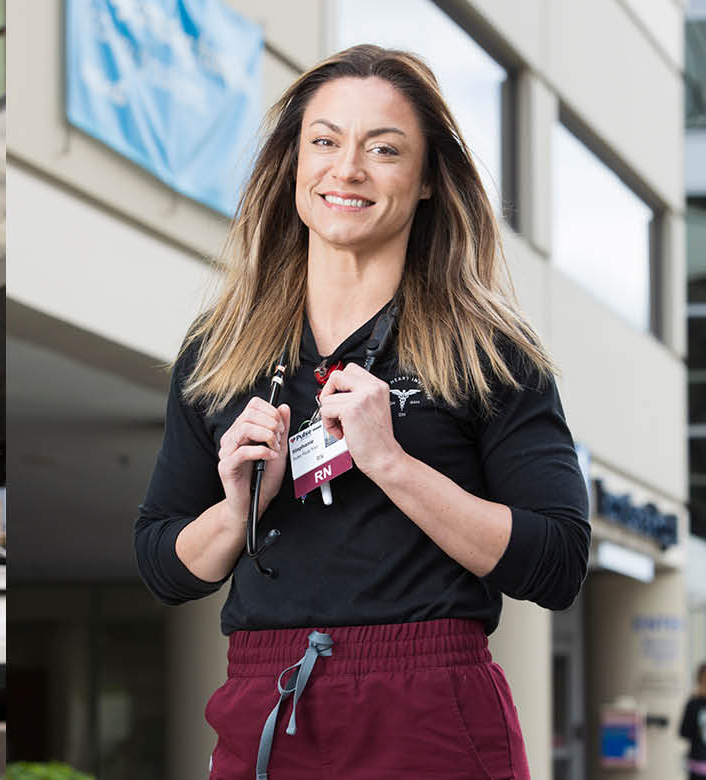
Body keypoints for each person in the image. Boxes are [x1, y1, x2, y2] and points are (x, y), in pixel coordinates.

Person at [134, 45, 589, 779]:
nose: (347, 169)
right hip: (267, 702)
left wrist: (392, 463)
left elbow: (558, 563)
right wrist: (236, 509)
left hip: (430, 708)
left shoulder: (488, 350)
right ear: (292, 166)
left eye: (384, 149)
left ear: (430, 179)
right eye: (324, 142)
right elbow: (164, 566)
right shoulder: (221, 351)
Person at [681, 663, 706, 779]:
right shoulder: (693, 704)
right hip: (698, 765)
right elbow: (683, 732)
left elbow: (684, 732)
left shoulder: (693, 703)